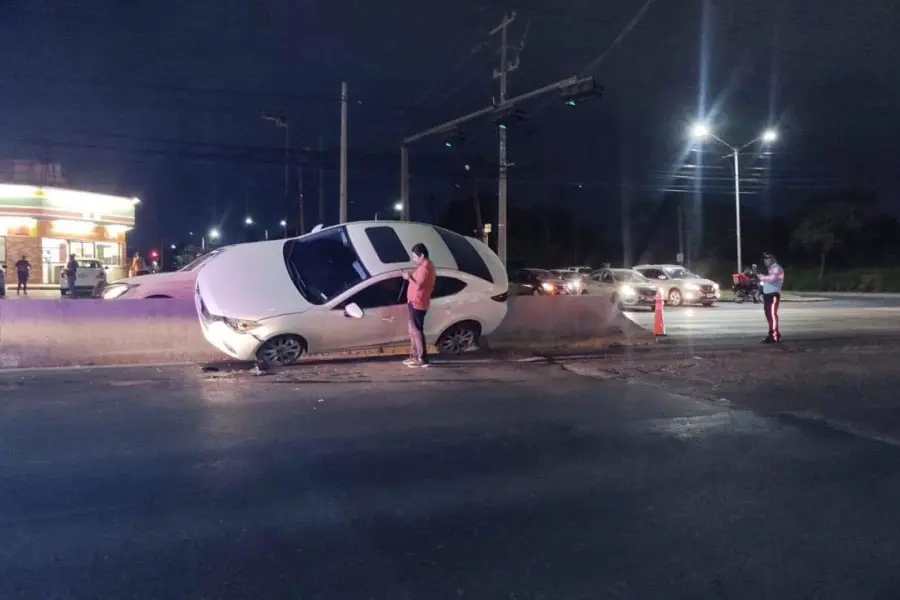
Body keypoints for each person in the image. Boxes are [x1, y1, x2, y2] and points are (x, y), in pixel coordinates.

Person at [401, 243, 436, 368]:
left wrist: (407, 277)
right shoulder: (425, 267)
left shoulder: (425, 268)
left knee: (417, 331)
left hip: (418, 303)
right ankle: (415, 356)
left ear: (421, 255)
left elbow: (419, 285)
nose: (414, 260)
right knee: (413, 330)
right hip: (415, 302)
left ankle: (422, 358)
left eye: (415, 257)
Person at [758, 252, 785, 343]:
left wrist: (760, 276)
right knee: (770, 316)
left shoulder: (776, 268)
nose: (765, 261)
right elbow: (766, 282)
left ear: (772, 259)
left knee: (772, 316)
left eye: (767, 259)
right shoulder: (770, 269)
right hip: (768, 295)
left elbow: (771, 279)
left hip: (773, 295)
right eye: (765, 259)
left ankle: (773, 336)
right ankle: (774, 333)